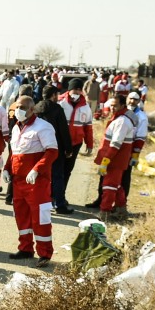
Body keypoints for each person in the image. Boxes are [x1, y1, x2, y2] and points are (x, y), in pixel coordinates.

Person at [3, 96, 58, 267]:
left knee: (40, 218)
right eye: (16, 107)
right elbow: (14, 152)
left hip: (37, 183)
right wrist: (6, 168)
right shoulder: (16, 128)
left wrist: (36, 169)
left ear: (32, 109)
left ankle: (45, 253)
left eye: (22, 107)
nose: (18, 111)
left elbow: (52, 152)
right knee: (21, 216)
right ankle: (25, 248)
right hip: (18, 182)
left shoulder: (43, 127)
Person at [93, 94, 136, 219]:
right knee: (116, 186)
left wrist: (106, 161)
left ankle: (104, 213)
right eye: (111, 105)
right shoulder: (118, 119)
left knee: (109, 186)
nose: (112, 108)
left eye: (115, 105)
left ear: (122, 106)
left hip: (115, 161)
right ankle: (121, 210)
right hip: (115, 160)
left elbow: (116, 144)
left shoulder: (122, 121)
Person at [34, 85, 74, 213]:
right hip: (55, 147)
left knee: (39, 176)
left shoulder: (35, 108)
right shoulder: (57, 109)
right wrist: (68, 148)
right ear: (53, 95)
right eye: (56, 95)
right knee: (57, 176)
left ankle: (40, 202)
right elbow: (63, 130)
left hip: (38, 147)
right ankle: (59, 204)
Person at [58, 78, 95, 213]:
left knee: (67, 171)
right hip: (59, 143)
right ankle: (54, 195)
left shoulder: (85, 107)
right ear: (69, 90)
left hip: (75, 144)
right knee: (57, 171)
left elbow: (88, 127)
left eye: (80, 90)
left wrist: (89, 144)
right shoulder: (60, 102)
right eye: (75, 90)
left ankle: (60, 195)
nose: (78, 92)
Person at [124, 91, 149, 199]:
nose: (132, 101)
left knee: (125, 176)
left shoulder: (142, 117)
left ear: (139, 101)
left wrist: (135, 155)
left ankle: (121, 203)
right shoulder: (122, 111)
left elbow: (140, 137)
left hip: (129, 149)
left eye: (135, 99)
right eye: (130, 98)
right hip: (116, 147)